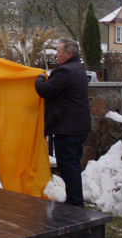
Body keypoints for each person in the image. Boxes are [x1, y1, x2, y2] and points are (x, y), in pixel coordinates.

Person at [34, 38, 91, 207]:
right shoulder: (78, 67)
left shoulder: (65, 71)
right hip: (78, 126)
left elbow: (44, 90)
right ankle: (75, 200)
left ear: (68, 53)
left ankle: (75, 203)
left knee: (68, 165)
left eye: (58, 51)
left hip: (68, 128)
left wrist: (39, 78)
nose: (55, 55)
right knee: (73, 164)